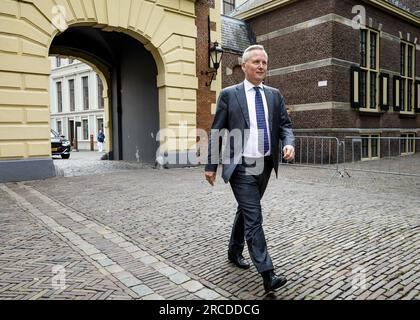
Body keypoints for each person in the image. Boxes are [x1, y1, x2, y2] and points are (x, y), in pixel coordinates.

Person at [204, 45, 295, 293]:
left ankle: (234, 251)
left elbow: (286, 125)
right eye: (255, 62)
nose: (261, 66)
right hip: (241, 166)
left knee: (245, 211)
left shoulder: (275, 95)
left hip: (264, 164)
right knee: (255, 217)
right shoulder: (229, 95)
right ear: (244, 66)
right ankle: (268, 273)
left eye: (264, 62)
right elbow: (217, 132)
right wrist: (211, 165)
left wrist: (288, 144)